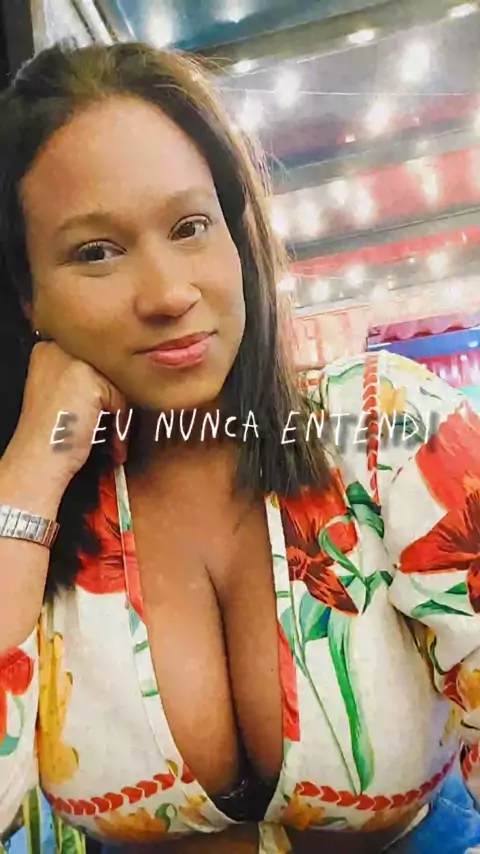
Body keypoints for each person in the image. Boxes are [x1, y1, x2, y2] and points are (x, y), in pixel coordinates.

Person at [0, 40, 479, 854]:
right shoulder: (34, 506)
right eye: (96, 252)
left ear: (236, 233)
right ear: (28, 296)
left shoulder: (381, 430)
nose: (169, 293)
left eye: (191, 226)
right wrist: (34, 470)